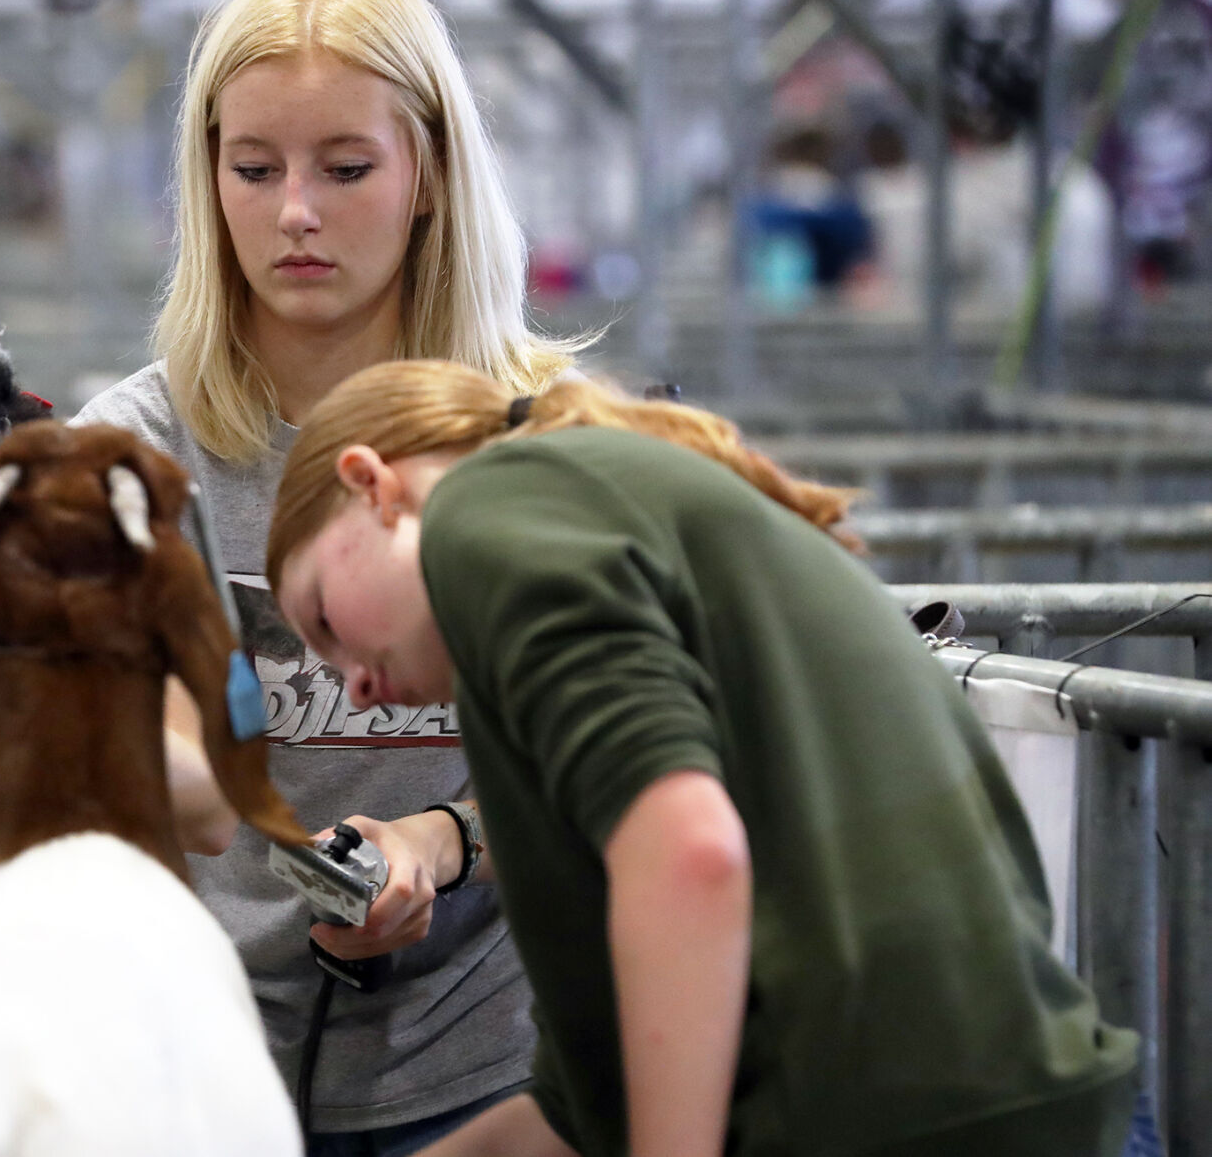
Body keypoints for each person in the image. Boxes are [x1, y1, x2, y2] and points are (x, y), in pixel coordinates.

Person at [263, 359, 1141, 1157]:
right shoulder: (580, 532)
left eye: (326, 623)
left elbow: (688, 855)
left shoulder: (488, 513)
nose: (356, 686)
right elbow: (571, 1120)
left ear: (371, 487)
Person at [69, 0, 582, 1150]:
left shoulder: (541, 433)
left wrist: (434, 846)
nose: (294, 211)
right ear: (207, 181)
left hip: (496, 1063)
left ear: (428, 174)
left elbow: (600, 757)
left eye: (344, 170)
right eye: (253, 170)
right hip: (189, 1069)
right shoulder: (130, 451)